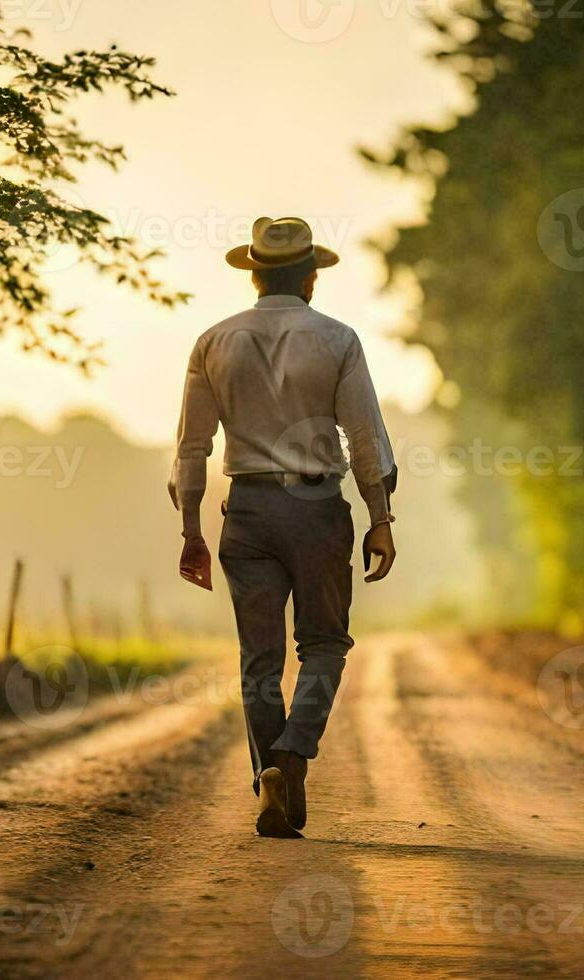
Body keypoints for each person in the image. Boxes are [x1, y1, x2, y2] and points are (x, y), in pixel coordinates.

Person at [168, 217, 398, 839]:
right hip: (317, 510)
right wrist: (380, 518)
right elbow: (365, 439)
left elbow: (192, 448)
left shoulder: (213, 341)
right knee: (324, 645)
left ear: (255, 272)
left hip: (246, 512)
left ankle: (270, 771)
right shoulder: (338, 340)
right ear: (312, 278)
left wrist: (190, 529)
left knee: (259, 660)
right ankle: (292, 757)